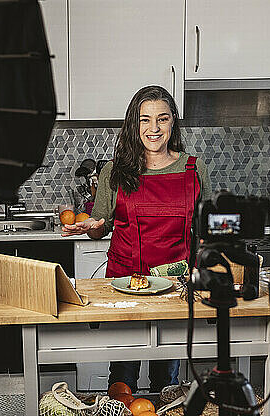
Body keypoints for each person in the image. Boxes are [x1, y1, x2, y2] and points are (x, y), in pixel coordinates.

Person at [62, 85, 211, 393]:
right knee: (123, 373)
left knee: (167, 380)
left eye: (162, 119)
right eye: (145, 120)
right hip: (124, 284)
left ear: (173, 123)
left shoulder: (194, 169)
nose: (154, 128)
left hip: (175, 290)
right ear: (134, 124)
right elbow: (100, 225)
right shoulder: (115, 172)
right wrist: (89, 225)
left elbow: (207, 229)